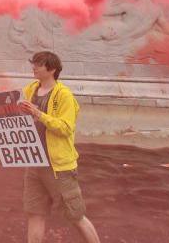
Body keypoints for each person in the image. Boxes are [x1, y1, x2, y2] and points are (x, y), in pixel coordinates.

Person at [18, 52, 101, 243]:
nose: (34, 67)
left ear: (52, 69)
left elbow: (65, 128)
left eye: (38, 64)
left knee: (75, 215)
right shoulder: (31, 88)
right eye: (34, 63)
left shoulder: (64, 95)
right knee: (35, 214)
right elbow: (17, 110)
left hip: (59, 167)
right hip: (34, 164)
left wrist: (39, 114)